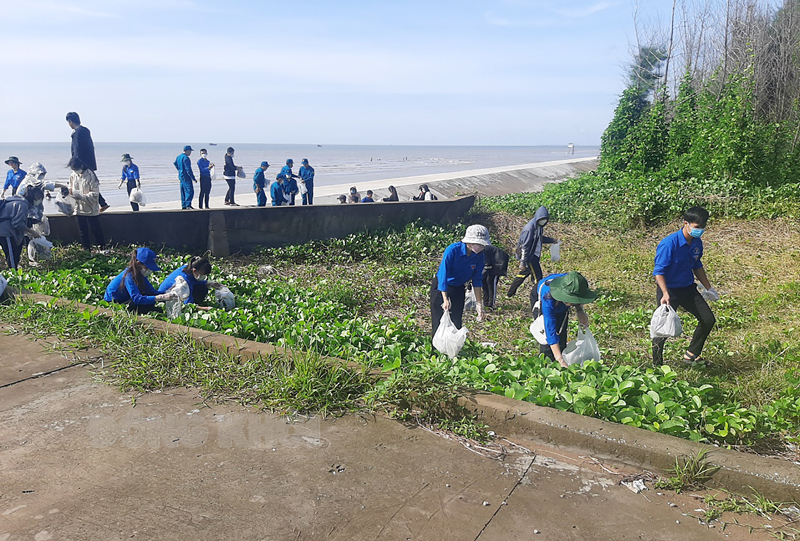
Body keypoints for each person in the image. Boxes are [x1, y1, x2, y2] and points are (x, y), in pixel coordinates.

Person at [652, 206, 717, 367]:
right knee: (662, 329)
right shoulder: (669, 244)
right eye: (696, 228)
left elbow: (697, 265)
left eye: (702, 228)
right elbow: (658, 272)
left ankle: (691, 354)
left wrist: (708, 288)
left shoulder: (696, 243)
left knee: (708, 319)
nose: (699, 231)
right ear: (685, 223)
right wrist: (665, 294)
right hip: (669, 290)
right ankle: (657, 365)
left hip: (687, 288)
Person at [430, 224, 489, 337]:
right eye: (478, 244)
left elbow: (477, 280)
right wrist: (445, 299)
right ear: (470, 242)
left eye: (482, 245)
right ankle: (436, 351)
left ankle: (453, 351)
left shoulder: (479, 256)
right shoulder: (453, 250)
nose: (481, 247)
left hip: (458, 287)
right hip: (442, 287)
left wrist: (479, 304)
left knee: (456, 321)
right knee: (438, 322)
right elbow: (443, 274)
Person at [535, 271, 596, 368]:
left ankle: (563, 362)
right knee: (546, 340)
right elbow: (549, 330)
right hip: (543, 298)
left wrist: (580, 311)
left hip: (561, 300)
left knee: (561, 332)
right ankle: (548, 366)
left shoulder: (576, 283)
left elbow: (576, 296)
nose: (571, 303)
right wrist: (559, 359)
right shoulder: (547, 299)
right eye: (570, 300)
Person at [507, 206, 558, 308]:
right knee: (538, 278)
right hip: (529, 256)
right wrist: (523, 262)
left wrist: (552, 240)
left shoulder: (539, 227)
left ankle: (510, 293)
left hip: (534, 254)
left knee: (523, 274)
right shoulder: (529, 229)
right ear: (537, 218)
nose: (543, 222)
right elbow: (525, 246)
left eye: (545, 220)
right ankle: (537, 299)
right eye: (542, 219)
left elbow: (539, 239)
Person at [104, 247, 176, 314]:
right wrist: (161, 297)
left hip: (128, 299)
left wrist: (169, 292)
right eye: (147, 267)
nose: (149, 270)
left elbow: (152, 292)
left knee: (155, 307)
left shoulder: (141, 276)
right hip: (115, 303)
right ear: (138, 264)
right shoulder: (129, 276)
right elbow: (136, 298)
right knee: (150, 308)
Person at [66, 112, 109, 212]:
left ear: (70, 122)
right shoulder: (85, 130)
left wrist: (75, 163)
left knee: (86, 184)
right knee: (91, 184)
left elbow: (76, 149)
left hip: (82, 164)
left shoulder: (77, 133)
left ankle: (98, 204)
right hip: (89, 162)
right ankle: (103, 203)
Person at [60, 157, 105, 250]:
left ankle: (103, 248)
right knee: (82, 231)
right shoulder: (73, 175)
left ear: (81, 166)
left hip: (91, 208)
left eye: (76, 169)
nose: (75, 171)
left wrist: (82, 196)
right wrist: (67, 193)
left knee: (96, 229)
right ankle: (86, 249)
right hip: (78, 208)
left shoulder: (91, 175)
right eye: (73, 169)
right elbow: (70, 188)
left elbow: (95, 194)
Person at [0, 186, 43, 269]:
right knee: (12, 255)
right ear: (31, 196)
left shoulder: (13, 200)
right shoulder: (22, 205)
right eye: (38, 197)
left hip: (5, 230)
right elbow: (17, 224)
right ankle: (13, 274)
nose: (39, 200)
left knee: (13, 253)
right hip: (5, 232)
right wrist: (32, 232)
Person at [482, 245, 509, 309]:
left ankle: (491, 304)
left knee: (491, 281)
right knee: (483, 281)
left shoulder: (481, 250)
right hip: (491, 263)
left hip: (498, 263)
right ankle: (486, 303)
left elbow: (487, 265)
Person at [174, 145, 196, 210]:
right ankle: (188, 205)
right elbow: (188, 169)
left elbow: (175, 164)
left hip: (181, 176)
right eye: (190, 151)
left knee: (183, 191)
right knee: (190, 191)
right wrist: (193, 177)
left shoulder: (178, 157)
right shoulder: (186, 158)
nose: (190, 153)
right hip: (186, 177)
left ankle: (183, 205)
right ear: (187, 151)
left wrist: (180, 170)